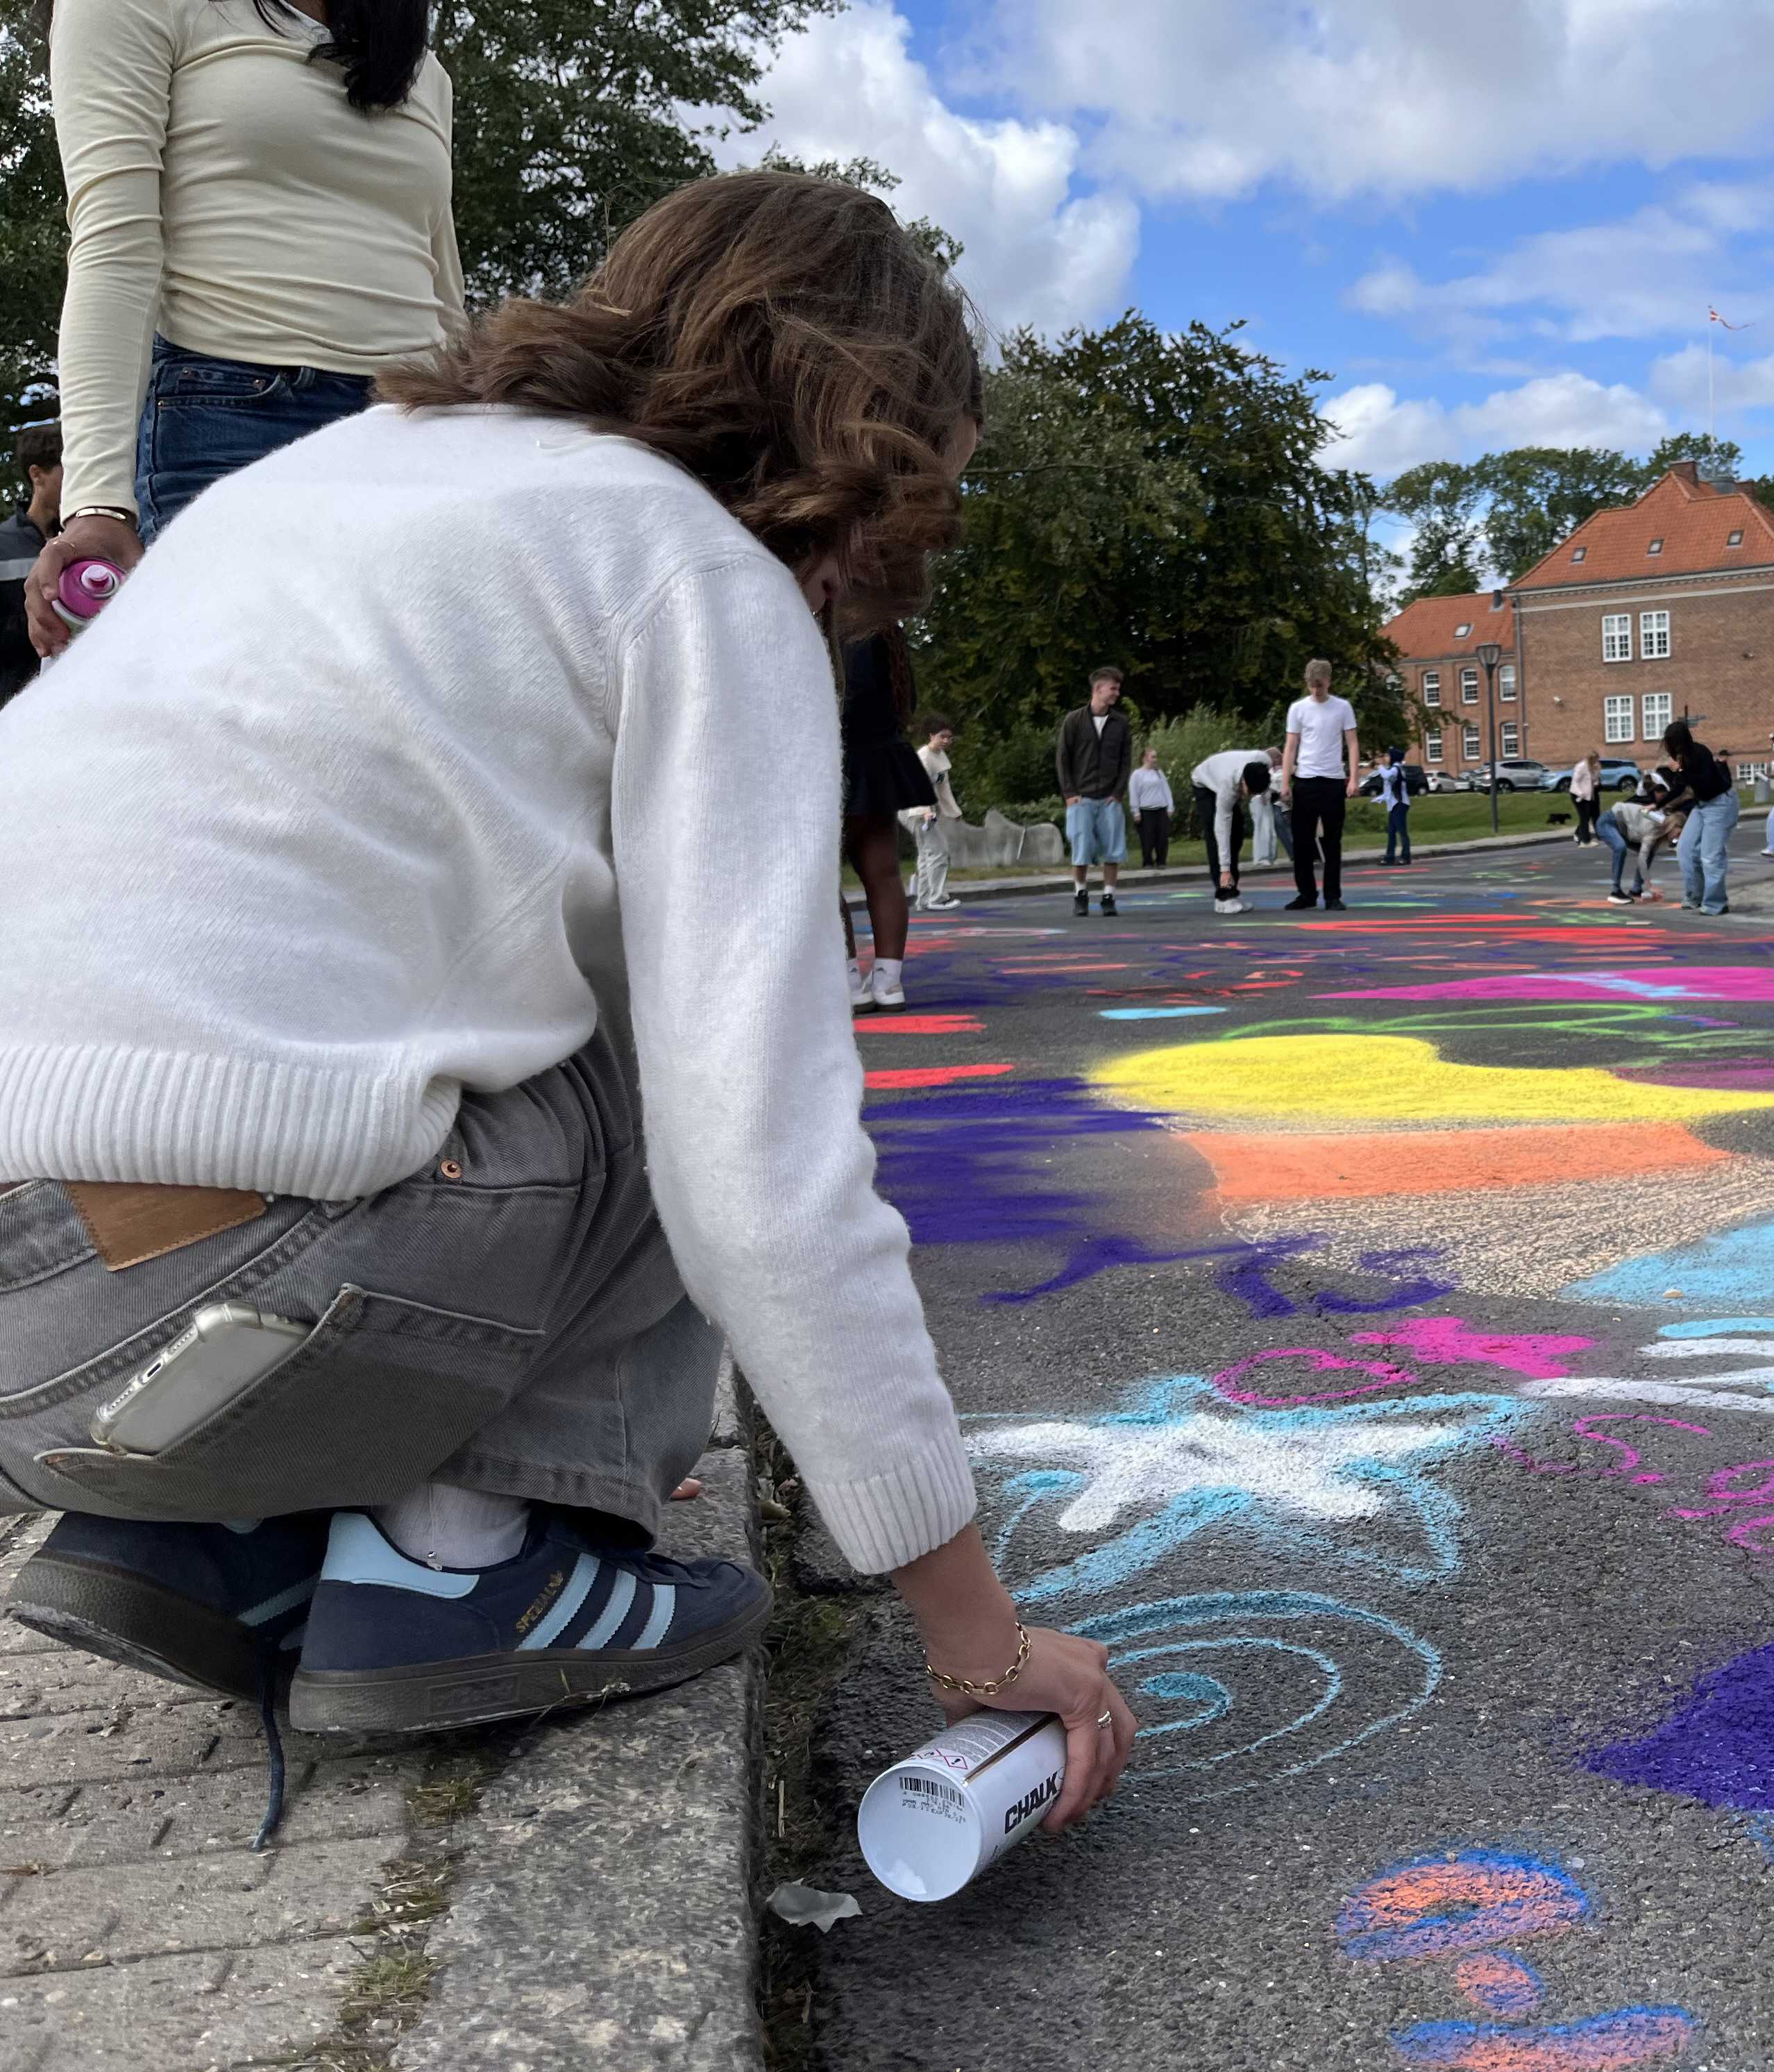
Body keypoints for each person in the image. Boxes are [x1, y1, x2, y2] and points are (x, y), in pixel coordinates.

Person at [0, 172, 1139, 1814]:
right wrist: (976, 1644)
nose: (906, 565)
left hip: (40, 1344)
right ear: (859, 439)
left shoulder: (339, 468)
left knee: (441, 1038)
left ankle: (212, 1532)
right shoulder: (698, 570)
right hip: (194, 1282)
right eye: (921, 508)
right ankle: (463, 1564)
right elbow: (763, 1183)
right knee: (679, 1060)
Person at [29, 0, 464, 655]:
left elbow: (441, 279)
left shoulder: (419, 66)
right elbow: (113, 252)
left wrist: (482, 425)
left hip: (421, 431)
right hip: (232, 423)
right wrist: (96, 503)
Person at [841, 632, 935, 1009]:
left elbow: (848, 698)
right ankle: (888, 983)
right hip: (881, 758)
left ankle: (845, 982)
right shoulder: (887, 631)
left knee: (819, 879)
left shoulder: (842, 629)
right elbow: (906, 700)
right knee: (883, 873)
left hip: (841, 757)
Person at [1281, 657, 1360, 911]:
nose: (1317, 690)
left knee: (1332, 841)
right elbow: (1291, 746)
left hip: (1333, 780)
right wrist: (1285, 783)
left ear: (1329, 682)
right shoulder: (1298, 709)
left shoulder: (1342, 708)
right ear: (1307, 684)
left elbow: (1352, 743)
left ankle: (1332, 895)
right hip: (1305, 780)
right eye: (1312, 686)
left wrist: (1354, 778)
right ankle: (1306, 894)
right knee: (1302, 842)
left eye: (1321, 686)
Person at [1056, 668, 1134, 917]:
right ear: (1098, 689)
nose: (1117, 693)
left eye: (1118, 689)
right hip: (1082, 797)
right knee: (1081, 849)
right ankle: (1081, 893)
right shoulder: (1074, 721)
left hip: (1110, 797)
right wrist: (1069, 793)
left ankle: (1108, 896)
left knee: (1114, 850)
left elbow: (1125, 761)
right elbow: (1063, 759)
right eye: (1113, 688)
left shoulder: (1120, 723)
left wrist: (1119, 793)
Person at [0, 423, 63, 705]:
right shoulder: (2, 543)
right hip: (18, 706)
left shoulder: (87, 540)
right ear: (37, 474)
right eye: (69, 471)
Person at [1657, 720, 1739, 916]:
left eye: (1670, 743)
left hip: (1720, 803)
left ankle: (1716, 904)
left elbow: (1706, 782)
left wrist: (1682, 770)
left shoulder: (1700, 753)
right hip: (1702, 806)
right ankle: (1695, 896)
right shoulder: (1681, 758)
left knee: (1710, 856)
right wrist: (1658, 804)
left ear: (1679, 742)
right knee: (1685, 849)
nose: (1668, 748)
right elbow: (1679, 787)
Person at [1190, 746, 1276, 914]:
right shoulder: (1227, 786)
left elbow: (1270, 756)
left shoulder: (1262, 761)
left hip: (1224, 773)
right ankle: (1224, 896)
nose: (1250, 796)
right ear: (1243, 781)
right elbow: (1221, 829)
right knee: (1220, 840)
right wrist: (1225, 869)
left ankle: (1232, 892)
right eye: (1250, 792)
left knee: (1237, 834)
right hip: (1204, 784)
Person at [900, 716, 961, 912]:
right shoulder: (923, 756)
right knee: (939, 851)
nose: (946, 741)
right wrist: (926, 812)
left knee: (927, 854)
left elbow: (944, 788)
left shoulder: (941, 757)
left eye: (949, 738)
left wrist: (954, 812)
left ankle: (923, 900)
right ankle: (938, 898)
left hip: (924, 808)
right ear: (931, 736)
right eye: (942, 737)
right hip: (913, 809)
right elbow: (919, 786)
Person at [1128, 745, 1174, 870]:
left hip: (1161, 809)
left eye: (1156, 757)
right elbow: (1134, 793)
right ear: (1145, 758)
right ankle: (1147, 862)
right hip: (1146, 811)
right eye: (1153, 757)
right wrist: (1135, 811)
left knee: (1162, 837)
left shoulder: (1159, 773)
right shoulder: (1137, 775)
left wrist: (1170, 807)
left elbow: (1166, 790)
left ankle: (1161, 861)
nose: (1155, 759)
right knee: (1147, 838)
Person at [1375, 746, 1415, 866]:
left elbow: (1387, 776)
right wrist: (1380, 798)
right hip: (1394, 804)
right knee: (1391, 831)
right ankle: (1389, 857)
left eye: (1388, 755)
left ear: (1393, 757)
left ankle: (1406, 856)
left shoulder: (1396, 768)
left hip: (1401, 804)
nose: (1386, 758)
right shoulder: (1393, 769)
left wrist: (1379, 767)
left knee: (1402, 831)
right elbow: (1389, 789)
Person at [1569, 752, 1600, 844]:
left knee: (1592, 816)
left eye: (1597, 760)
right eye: (1595, 760)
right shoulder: (1581, 767)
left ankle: (1584, 836)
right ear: (1590, 759)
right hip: (1578, 795)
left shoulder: (1593, 767)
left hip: (1588, 795)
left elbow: (1594, 781)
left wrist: (1597, 773)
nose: (1596, 762)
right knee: (1584, 817)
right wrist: (1580, 793)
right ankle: (1585, 841)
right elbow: (1575, 783)